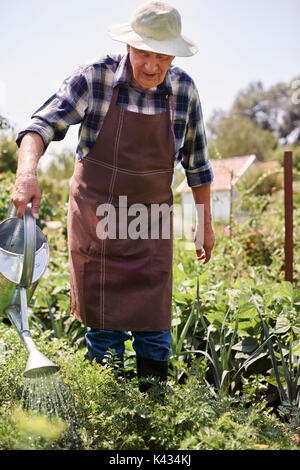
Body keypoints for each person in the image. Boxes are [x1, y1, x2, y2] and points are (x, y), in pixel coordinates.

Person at [12, 1, 215, 392]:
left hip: (149, 224)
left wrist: (204, 224)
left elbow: (198, 165)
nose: (152, 66)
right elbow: (39, 126)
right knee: (104, 331)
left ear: (173, 53)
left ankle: (152, 411)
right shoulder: (94, 78)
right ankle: (111, 415)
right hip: (97, 222)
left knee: (154, 328)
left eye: (161, 56)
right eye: (144, 54)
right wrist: (26, 173)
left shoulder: (184, 90)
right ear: (129, 47)